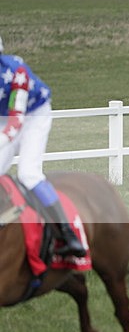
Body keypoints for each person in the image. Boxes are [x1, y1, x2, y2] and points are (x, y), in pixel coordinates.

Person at [0, 35, 87, 257]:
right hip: (6, 117)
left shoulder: (16, 71)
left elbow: (16, 121)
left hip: (33, 115)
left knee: (28, 173)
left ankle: (68, 234)